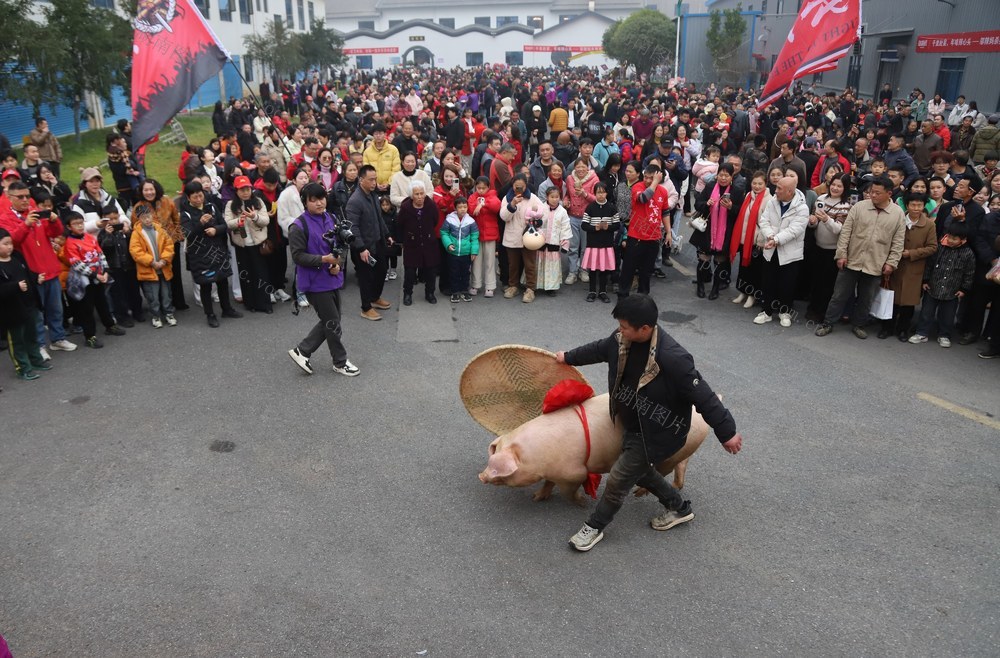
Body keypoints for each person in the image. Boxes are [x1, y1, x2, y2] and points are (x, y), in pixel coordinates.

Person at [556, 294, 743, 552]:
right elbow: (599, 348)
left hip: (661, 432)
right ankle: (679, 508)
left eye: (624, 327)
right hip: (634, 423)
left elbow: (703, 395)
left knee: (618, 478)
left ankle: (594, 527)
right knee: (640, 471)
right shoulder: (622, 339)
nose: (619, 331)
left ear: (644, 329)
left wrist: (727, 432)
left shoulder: (673, 357)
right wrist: (568, 356)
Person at [815, 176, 906, 339]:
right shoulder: (859, 207)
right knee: (839, 295)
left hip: (876, 263)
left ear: (889, 193)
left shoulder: (898, 214)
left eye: (877, 193)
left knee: (866, 298)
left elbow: (898, 242)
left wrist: (892, 263)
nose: (873, 195)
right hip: (851, 260)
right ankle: (828, 322)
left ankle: (859, 324)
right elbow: (845, 233)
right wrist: (841, 254)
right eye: (871, 192)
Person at [286, 182, 360, 377]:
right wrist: (323, 260)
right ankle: (340, 362)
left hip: (332, 278)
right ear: (305, 202)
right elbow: (297, 256)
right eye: (314, 200)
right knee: (332, 322)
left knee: (332, 320)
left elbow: (340, 246)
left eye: (321, 198)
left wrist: (338, 264)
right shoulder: (298, 226)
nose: (319, 203)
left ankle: (302, 351)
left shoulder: (331, 217)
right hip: (314, 283)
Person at [0, 180, 76, 355]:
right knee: (36, 313)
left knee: (55, 308)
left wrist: (55, 220)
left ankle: (58, 339)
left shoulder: (36, 213)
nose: (25, 200)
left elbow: (55, 233)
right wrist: (25, 224)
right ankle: (39, 345)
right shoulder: (5, 219)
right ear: (10, 198)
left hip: (50, 267)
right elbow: (11, 241)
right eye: (20, 197)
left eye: (27, 196)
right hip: (31, 272)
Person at [180, 181, 242, 328]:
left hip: (218, 250)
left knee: (222, 280)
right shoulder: (185, 214)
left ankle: (227, 309)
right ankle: (210, 314)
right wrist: (200, 224)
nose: (198, 199)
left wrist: (216, 230)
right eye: (194, 197)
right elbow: (188, 235)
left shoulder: (212, 207)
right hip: (200, 255)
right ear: (188, 198)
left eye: (200, 195)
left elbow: (224, 225)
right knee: (206, 285)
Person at [62, 211, 127, 348]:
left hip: (98, 276)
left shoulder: (89, 237)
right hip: (84, 281)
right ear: (68, 227)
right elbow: (77, 264)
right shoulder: (70, 243)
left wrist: (105, 271)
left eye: (81, 223)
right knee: (87, 308)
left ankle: (110, 325)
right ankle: (89, 336)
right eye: (75, 224)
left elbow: (100, 253)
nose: (79, 226)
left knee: (102, 302)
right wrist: (94, 275)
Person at [752, 175, 809, 326]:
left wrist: (775, 240)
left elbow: (794, 230)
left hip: (790, 253)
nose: (775, 191)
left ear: (790, 191)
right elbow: (764, 221)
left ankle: (785, 312)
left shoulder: (802, 208)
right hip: (771, 250)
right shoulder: (772, 202)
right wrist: (770, 236)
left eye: (779, 188)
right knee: (768, 281)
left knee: (787, 284)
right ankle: (766, 311)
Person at [880, 193, 937, 340]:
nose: (916, 208)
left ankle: (903, 330)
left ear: (924, 206)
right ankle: (887, 328)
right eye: (913, 205)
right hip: (895, 265)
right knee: (891, 300)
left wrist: (911, 253)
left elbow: (932, 247)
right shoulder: (898, 219)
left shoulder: (929, 225)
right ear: (907, 205)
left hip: (915, 269)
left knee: (908, 303)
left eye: (919, 205)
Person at [908, 224, 975, 348]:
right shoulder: (939, 248)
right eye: (949, 237)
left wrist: (964, 289)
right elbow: (929, 264)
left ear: (963, 240)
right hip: (933, 286)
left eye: (955, 239)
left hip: (952, 290)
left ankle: (944, 335)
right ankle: (921, 332)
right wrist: (926, 280)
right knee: (926, 312)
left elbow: (969, 273)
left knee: (947, 315)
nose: (950, 240)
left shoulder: (968, 254)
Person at [618, 166, 676, 297]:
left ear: (660, 176)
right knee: (628, 269)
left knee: (646, 271)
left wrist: (668, 232)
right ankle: (622, 296)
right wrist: (655, 182)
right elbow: (643, 198)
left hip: (654, 237)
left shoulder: (663, 191)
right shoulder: (637, 187)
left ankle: (642, 297)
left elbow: (665, 212)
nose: (648, 180)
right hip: (636, 236)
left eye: (652, 177)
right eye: (646, 177)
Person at [0, 227, 49, 380]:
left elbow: (26, 273)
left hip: (28, 305)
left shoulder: (16, 256)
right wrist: (15, 286)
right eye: (5, 244)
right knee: (17, 341)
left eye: (10, 243)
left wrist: (35, 278)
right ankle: (22, 368)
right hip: (11, 311)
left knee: (31, 335)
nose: (9, 246)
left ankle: (35, 360)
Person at [346, 165, 393, 320]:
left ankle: (375, 298)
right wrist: (361, 248)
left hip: (377, 240)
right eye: (371, 180)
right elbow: (353, 228)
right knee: (365, 277)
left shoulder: (373, 195)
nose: (374, 183)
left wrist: (387, 234)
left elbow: (378, 217)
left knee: (382, 270)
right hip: (363, 246)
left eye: (375, 179)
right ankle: (366, 308)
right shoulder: (355, 201)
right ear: (361, 180)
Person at [693, 163, 745, 300]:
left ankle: (715, 288)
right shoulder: (710, 187)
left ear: (731, 176)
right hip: (707, 230)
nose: (723, 178)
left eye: (726, 175)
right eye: (721, 175)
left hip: (725, 233)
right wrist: (706, 204)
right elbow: (697, 204)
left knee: (719, 262)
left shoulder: (737, 191)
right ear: (717, 175)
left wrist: (731, 207)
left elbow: (741, 212)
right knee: (703, 260)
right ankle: (700, 285)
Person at [133, 179, 188, 311]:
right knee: (159, 275)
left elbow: (176, 219)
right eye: (145, 190)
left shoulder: (167, 201)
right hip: (152, 247)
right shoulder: (138, 207)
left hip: (171, 242)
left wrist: (179, 234)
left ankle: (178, 301)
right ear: (141, 191)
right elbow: (136, 227)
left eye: (151, 189)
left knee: (175, 272)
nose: (149, 192)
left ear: (156, 189)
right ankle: (162, 304)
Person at [804, 173, 852, 321]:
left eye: (839, 186)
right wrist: (812, 221)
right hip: (817, 246)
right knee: (815, 280)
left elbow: (839, 229)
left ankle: (824, 313)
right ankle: (812, 308)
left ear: (845, 188)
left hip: (832, 250)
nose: (835, 188)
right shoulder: (821, 199)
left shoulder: (845, 206)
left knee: (828, 283)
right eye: (833, 184)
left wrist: (826, 219)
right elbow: (813, 222)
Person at [224, 175, 272, 313]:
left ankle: (265, 304)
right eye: (242, 189)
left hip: (258, 244)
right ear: (236, 190)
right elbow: (227, 222)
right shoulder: (230, 205)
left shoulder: (258, 201)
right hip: (242, 245)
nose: (245, 192)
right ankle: (250, 303)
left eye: (247, 189)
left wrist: (254, 216)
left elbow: (266, 220)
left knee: (261, 274)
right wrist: (238, 221)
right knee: (246, 275)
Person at [129, 204, 176, 328]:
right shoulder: (136, 233)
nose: (147, 220)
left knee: (167, 294)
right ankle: (156, 316)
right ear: (139, 218)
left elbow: (169, 245)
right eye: (144, 217)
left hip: (163, 268)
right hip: (149, 270)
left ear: (152, 215)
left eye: (149, 216)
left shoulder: (160, 229)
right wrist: (151, 262)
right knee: (152, 296)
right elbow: (136, 251)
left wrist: (164, 260)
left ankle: (169, 313)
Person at [499, 175, 545, 303]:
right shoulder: (507, 198)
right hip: (512, 236)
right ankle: (513, 286)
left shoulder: (533, 198)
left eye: (521, 187)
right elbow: (503, 217)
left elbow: (543, 212)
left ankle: (530, 289)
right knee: (513, 264)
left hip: (529, 236)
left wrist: (536, 220)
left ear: (526, 186)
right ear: (512, 186)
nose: (519, 189)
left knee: (530, 264)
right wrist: (512, 204)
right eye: (516, 186)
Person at [729, 170, 770, 309]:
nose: (757, 186)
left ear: (765, 184)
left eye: (760, 183)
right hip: (744, 238)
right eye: (754, 183)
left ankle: (752, 295)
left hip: (756, 240)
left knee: (754, 269)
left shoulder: (769, 200)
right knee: (743, 267)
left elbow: (766, 222)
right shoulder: (748, 195)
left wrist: (761, 240)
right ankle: (742, 292)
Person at [396, 180, 441, 306]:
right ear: (411, 195)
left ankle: (430, 293)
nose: (420, 197)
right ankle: (407, 294)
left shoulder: (431, 205)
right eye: (416, 194)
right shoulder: (405, 208)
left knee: (431, 271)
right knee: (410, 271)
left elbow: (435, 220)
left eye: (422, 193)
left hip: (429, 242)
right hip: (411, 244)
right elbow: (400, 224)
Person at [581, 182, 620, 303]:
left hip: (606, 244)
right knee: (593, 269)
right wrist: (595, 228)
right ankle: (592, 291)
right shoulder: (590, 207)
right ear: (595, 193)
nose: (601, 195)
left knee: (604, 269)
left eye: (603, 192)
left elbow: (617, 225)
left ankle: (602, 291)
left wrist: (608, 227)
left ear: (607, 193)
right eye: (598, 192)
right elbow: (584, 225)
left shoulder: (612, 208)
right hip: (593, 244)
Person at [563, 157, 599, 285]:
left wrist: (585, 194)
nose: (581, 169)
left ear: (588, 168)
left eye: (583, 167)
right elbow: (567, 193)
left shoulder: (594, 179)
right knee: (573, 247)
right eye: (578, 167)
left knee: (585, 247)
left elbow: (597, 198)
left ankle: (584, 270)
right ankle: (572, 272)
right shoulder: (569, 179)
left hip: (587, 217)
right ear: (574, 168)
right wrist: (566, 200)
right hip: (572, 216)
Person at [534, 186, 572, 295]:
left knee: (552, 265)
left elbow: (565, 227)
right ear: (547, 197)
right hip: (541, 241)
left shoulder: (563, 212)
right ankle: (536, 284)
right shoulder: (541, 208)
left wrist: (565, 244)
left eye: (557, 197)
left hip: (554, 242)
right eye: (552, 197)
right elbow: (536, 221)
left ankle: (551, 287)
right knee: (539, 263)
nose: (554, 199)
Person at [441, 197, 479, 303]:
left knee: (465, 273)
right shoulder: (449, 220)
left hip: (466, 253)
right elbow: (444, 233)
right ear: (455, 208)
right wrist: (448, 244)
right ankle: (455, 292)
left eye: (465, 207)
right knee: (454, 272)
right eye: (460, 207)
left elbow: (474, 237)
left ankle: (464, 290)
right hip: (453, 253)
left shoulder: (471, 221)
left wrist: (474, 251)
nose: (463, 209)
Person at [468, 176, 501, 297]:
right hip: (476, 234)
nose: (481, 190)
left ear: (488, 187)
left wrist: (482, 204)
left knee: (490, 261)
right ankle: (475, 284)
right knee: (476, 260)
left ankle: (490, 286)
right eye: (478, 188)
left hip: (490, 234)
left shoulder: (492, 196)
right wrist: (478, 205)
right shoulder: (473, 196)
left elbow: (496, 206)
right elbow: (470, 209)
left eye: (483, 188)